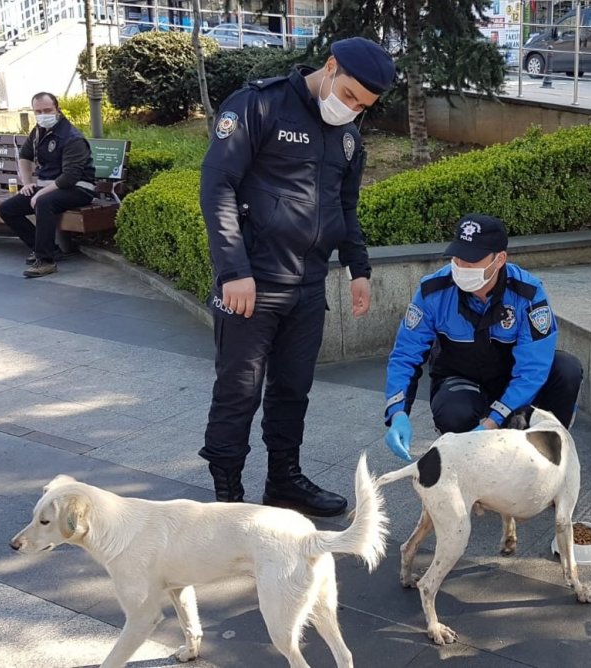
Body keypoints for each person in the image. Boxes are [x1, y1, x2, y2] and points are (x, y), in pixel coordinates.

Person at [198, 37, 396, 516]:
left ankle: (283, 481)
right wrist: (233, 271)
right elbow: (217, 184)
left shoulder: (348, 135)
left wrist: (358, 268)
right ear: (330, 67)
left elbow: (345, 206)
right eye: (349, 96)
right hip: (252, 284)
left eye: (363, 107)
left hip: (307, 286)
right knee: (238, 393)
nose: (350, 110)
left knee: (292, 392)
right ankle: (228, 497)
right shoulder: (259, 105)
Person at [383, 214, 583, 460]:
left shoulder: (527, 294)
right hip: (462, 377)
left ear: (499, 259)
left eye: (472, 259)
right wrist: (398, 413)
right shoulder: (433, 291)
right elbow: (405, 354)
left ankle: (547, 454)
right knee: (453, 413)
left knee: (566, 369)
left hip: (514, 379)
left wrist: (494, 420)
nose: (461, 265)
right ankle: (468, 462)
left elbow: (533, 369)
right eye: (457, 256)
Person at [0, 92, 96, 278]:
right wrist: (27, 184)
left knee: (44, 202)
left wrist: (39, 194)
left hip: (78, 189)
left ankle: (46, 261)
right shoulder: (38, 131)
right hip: (48, 188)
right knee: (7, 208)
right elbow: (25, 156)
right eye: (38, 111)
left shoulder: (72, 137)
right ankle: (47, 248)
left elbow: (70, 177)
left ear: (57, 109)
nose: (43, 115)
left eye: (47, 110)